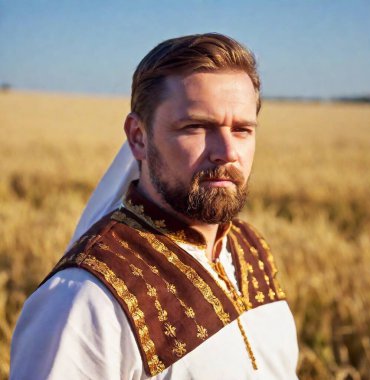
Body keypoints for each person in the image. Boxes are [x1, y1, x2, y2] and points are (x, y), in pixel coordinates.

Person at [10, 33, 299, 379]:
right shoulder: (84, 298)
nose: (227, 151)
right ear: (138, 137)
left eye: (242, 129)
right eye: (196, 127)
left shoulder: (250, 247)